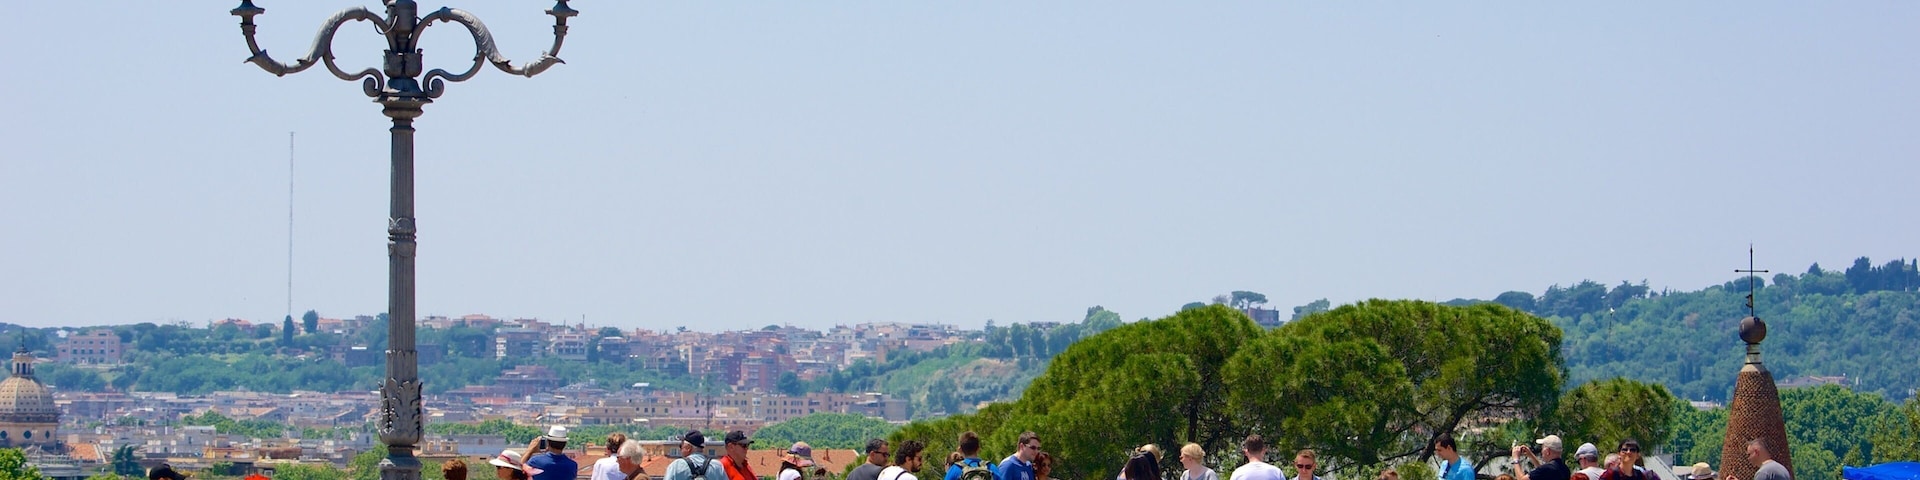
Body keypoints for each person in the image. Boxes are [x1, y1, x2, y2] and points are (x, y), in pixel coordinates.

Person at [1725, 439, 1790, 480]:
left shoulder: (1764, 473)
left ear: (1756, 452)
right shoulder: (1782, 469)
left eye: (1749, 454)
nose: (1748, 458)